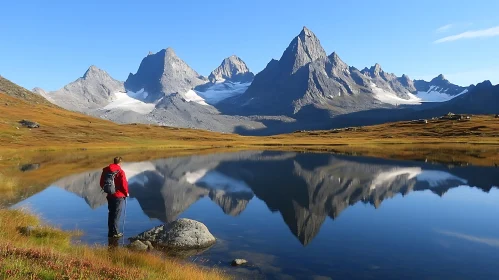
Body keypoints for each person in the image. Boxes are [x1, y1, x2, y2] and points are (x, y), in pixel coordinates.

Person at [100, 156, 129, 238]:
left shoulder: (106, 170)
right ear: (120, 163)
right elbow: (124, 184)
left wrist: (107, 190)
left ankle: (110, 232)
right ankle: (115, 232)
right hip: (119, 196)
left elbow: (102, 182)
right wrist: (126, 193)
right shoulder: (120, 171)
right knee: (116, 214)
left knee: (111, 213)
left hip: (110, 195)